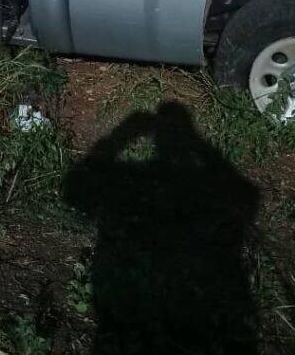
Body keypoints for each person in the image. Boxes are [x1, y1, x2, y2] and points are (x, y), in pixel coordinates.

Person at [63, 103, 260, 354]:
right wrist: (197, 142)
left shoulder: (132, 180)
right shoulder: (201, 188)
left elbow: (75, 189)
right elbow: (246, 195)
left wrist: (121, 135)